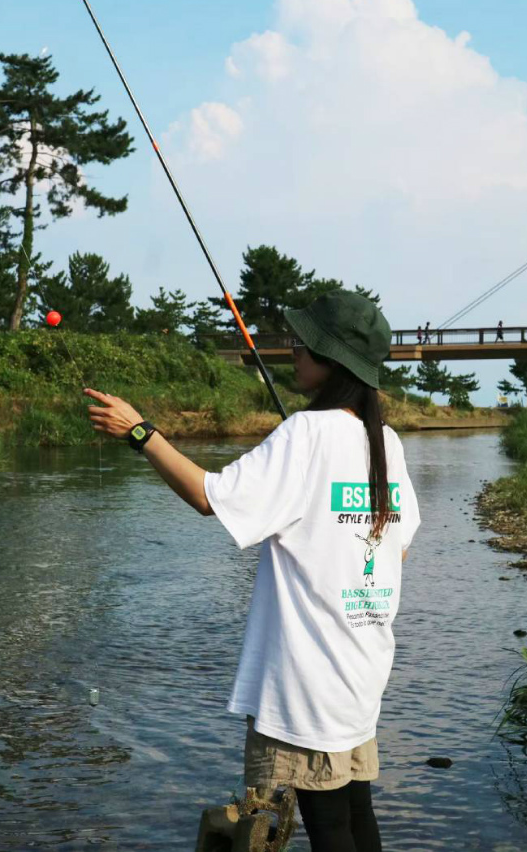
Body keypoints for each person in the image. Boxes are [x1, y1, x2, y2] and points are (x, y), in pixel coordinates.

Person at [85, 290, 420, 852]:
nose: (292, 350)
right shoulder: (384, 441)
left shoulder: (305, 435)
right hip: (362, 672)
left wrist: (141, 432)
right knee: (356, 812)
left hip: (307, 682)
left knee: (329, 825)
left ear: (330, 359)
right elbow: (398, 547)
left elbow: (208, 497)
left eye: (302, 341)